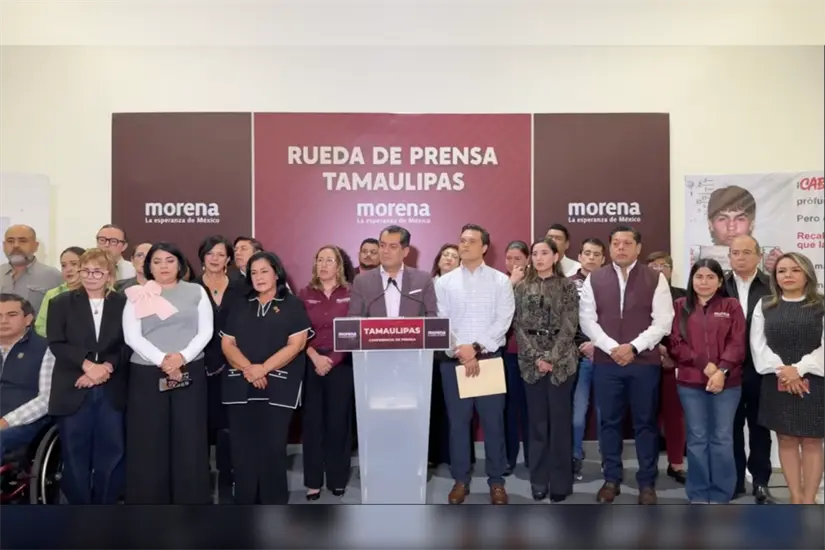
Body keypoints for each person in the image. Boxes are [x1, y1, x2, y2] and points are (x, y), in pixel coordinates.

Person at [580, 225, 674, 504]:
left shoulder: (655, 278)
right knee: (608, 422)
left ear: (638, 248)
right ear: (609, 248)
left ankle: (647, 482)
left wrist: (632, 347)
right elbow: (587, 320)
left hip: (644, 363)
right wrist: (612, 348)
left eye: (627, 243)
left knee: (645, 423)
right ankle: (611, 479)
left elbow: (663, 322)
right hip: (607, 364)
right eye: (616, 243)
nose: (620, 247)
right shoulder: (594, 279)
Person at [121, 242, 214, 504]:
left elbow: (205, 331)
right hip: (147, 373)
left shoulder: (196, 291)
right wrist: (163, 360)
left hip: (190, 369)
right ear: (148, 266)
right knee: (149, 440)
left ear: (180, 263)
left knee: (190, 437)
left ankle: (192, 504)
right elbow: (132, 336)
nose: (164, 266)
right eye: (157, 261)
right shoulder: (136, 293)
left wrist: (182, 357)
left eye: (170, 260)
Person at [221, 251, 311, 504]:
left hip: (278, 386)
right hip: (240, 385)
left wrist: (263, 369)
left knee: (272, 449)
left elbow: (297, 344)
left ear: (276, 272)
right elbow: (227, 344)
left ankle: (274, 508)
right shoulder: (240, 303)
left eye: (264, 271)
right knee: (242, 451)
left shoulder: (292, 304)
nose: (259, 277)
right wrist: (250, 369)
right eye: (253, 272)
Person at [435, 224, 515, 505]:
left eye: (471, 241)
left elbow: (503, 320)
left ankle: (496, 481)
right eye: (462, 240)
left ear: (484, 248)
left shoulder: (500, 281)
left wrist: (476, 348)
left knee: (494, 424)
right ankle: (460, 480)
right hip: (454, 361)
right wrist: (462, 351)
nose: (464, 245)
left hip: (489, 360)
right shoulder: (443, 283)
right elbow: (441, 322)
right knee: (458, 425)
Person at [46, 248, 128, 504]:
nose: (91, 276)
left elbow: (127, 343)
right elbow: (56, 342)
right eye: (86, 271)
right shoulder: (60, 303)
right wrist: (87, 366)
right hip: (72, 388)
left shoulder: (124, 304)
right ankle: (80, 512)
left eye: (98, 271)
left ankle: (106, 509)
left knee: (113, 452)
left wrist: (105, 368)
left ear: (109, 275)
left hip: (111, 388)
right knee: (74, 453)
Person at [667, 259, 746, 504]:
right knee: (697, 438)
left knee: (722, 439)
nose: (704, 282)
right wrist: (706, 366)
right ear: (691, 280)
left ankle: (722, 494)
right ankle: (699, 494)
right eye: (699, 276)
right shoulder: (681, 305)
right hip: (690, 383)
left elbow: (738, 342)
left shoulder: (731, 306)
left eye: (711, 277)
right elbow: (676, 343)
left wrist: (721, 370)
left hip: (727, 383)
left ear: (720, 281)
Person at [751, 252, 824, 504]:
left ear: (807, 274)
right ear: (775, 276)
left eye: (795, 270)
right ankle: (795, 497)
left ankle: (809, 499)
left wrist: (800, 369)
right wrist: (785, 371)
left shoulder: (821, 304)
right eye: (782, 271)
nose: (788, 275)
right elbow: (758, 346)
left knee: (813, 439)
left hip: (815, 379)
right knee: (786, 437)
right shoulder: (765, 305)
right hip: (776, 379)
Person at [513, 238, 579, 502]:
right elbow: (516, 325)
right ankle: (539, 481)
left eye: (544, 253)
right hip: (530, 364)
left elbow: (570, 324)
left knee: (561, 425)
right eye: (535, 254)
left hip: (562, 363)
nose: (539, 258)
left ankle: (561, 483)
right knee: (537, 425)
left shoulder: (567, 286)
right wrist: (537, 356)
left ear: (555, 256)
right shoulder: (521, 287)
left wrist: (551, 357)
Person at [298, 245, 354, 500]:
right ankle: (312, 481)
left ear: (339, 265)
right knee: (312, 425)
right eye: (320, 259)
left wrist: (332, 359)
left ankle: (337, 478)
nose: (324, 264)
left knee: (338, 424)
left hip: (341, 364)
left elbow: (354, 331)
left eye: (329, 260)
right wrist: (314, 356)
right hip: (311, 363)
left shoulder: (351, 293)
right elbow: (298, 332)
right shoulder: (305, 293)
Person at [723, 235, 775, 503]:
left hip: (762, 369)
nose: (740, 257)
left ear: (758, 256)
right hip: (727, 369)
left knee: (759, 427)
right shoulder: (719, 284)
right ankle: (734, 481)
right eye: (735, 253)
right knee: (730, 428)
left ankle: (761, 482)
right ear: (729, 256)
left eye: (746, 252)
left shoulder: (772, 285)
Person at [194, 235, 245, 501]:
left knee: (229, 428)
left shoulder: (241, 287)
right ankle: (200, 483)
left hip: (233, 366)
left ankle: (228, 482)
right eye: (210, 253)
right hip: (198, 366)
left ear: (228, 259)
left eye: (220, 254)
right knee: (198, 426)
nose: (215, 258)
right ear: (202, 257)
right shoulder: (190, 288)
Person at [647, 251, 687, 484]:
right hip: (646, 359)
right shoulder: (638, 295)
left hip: (676, 363)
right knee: (646, 415)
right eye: (653, 266)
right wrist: (659, 350)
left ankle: (676, 463)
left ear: (671, 270)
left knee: (674, 415)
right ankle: (648, 463)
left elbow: (687, 330)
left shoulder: (684, 296)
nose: (659, 269)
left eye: (664, 265)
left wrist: (672, 353)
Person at [0, 294, 54, 461]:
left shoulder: (46, 349)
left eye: (12, 315)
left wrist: (5, 422)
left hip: (25, 423)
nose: (3, 321)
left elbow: (46, 399)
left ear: (28, 319)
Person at [569, 237, 606, 479]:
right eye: (587, 253)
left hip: (605, 357)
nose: (591, 257)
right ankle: (574, 457)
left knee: (607, 414)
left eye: (596, 254)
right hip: (578, 356)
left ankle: (608, 460)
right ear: (580, 256)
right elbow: (563, 321)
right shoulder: (568, 284)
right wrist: (581, 345)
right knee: (577, 414)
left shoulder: (612, 283)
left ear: (603, 259)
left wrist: (599, 344)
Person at [347, 226, 437, 318]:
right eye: (382, 245)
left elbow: (431, 316)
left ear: (405, 251)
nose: (385, 251)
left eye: (393, 247)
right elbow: (354, 318)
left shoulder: (423, 280)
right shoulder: (362, 281)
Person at [502, 240, 530, 473]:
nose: (512, 263)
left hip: (532, 356)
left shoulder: (536, 282)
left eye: (518, 259)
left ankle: (534, 458)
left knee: (532, 409)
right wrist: (510, 284)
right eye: (509, 258)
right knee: (509, 409)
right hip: (507, 355)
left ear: (527, 261)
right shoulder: (499, 282)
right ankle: (508, 458)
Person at [0, 225, 63, 316]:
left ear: (35, 246)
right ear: (4, 246)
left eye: (23, 241)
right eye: (10, 241)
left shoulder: (54, 277)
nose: (16, 245)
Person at [34, 246, 85, 337]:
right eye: (64, 265)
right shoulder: (52, 294)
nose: (68, 269)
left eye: (74, 264)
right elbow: (41, 327)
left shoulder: (98, 291)